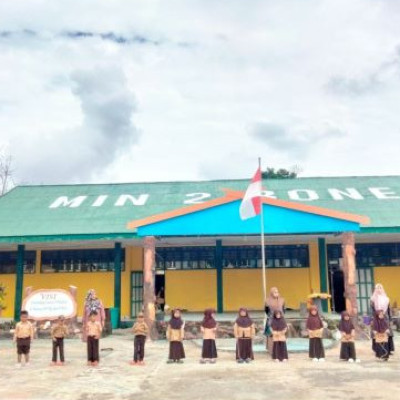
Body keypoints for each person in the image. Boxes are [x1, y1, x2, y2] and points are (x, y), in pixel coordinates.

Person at [370, 283, 394, 354]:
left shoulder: (386, 299)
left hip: (385, 318)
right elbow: (372, 310)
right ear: (375, 290)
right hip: (376, 318)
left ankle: (388, 349)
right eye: (377, 288)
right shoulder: (372, 299)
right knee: (376, 333)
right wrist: (373, 319)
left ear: (382, 289)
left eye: (380, 288)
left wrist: (390, 319)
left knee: (387, 332)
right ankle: (377, 349)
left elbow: (389, 310)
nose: (379, 290)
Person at [264, 287, 285, 355]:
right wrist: (272, 316)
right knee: (271, 334)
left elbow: (284, 309)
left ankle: (280, 351)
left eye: (277, 292)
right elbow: (266, 310)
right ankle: (272, 351)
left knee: (281, 333)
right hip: (271, 319)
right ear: (271, 293)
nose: (276, 293)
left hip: (280, 319)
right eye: (275, 292)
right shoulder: (267, 300)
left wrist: (280, 316)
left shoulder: (282, 300)